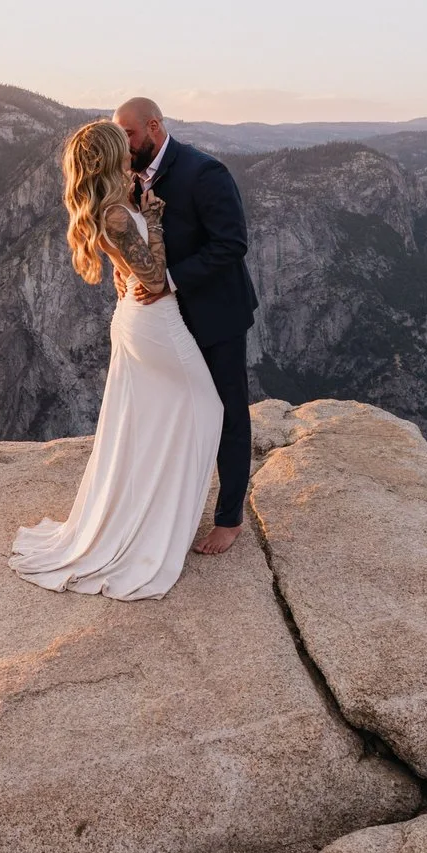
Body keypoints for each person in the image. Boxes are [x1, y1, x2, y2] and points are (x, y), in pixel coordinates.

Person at [9, 119, 223, 599]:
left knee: (149, 420)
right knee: (207, 408)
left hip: (137, 318)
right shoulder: (117, 216)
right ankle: (155, 526)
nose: (130, 148)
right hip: (156, 323)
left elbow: (123, 272)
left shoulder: (112, 209)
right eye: (121, 143)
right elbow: (154, 278)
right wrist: (157, 221)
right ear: (109, 156)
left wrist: (137, 235)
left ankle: (151, 513)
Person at [112, 96, 259, 557]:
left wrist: (168, 281)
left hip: (215, 315)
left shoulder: (204, 172)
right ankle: (171, 508)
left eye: (128, 134)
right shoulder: (129, 174)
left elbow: (231, 243)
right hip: (164, 322)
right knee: (173, 413)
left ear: (154, 127)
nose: (122, 143)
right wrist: (125, 269)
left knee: (228, 413)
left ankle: (230, 519)